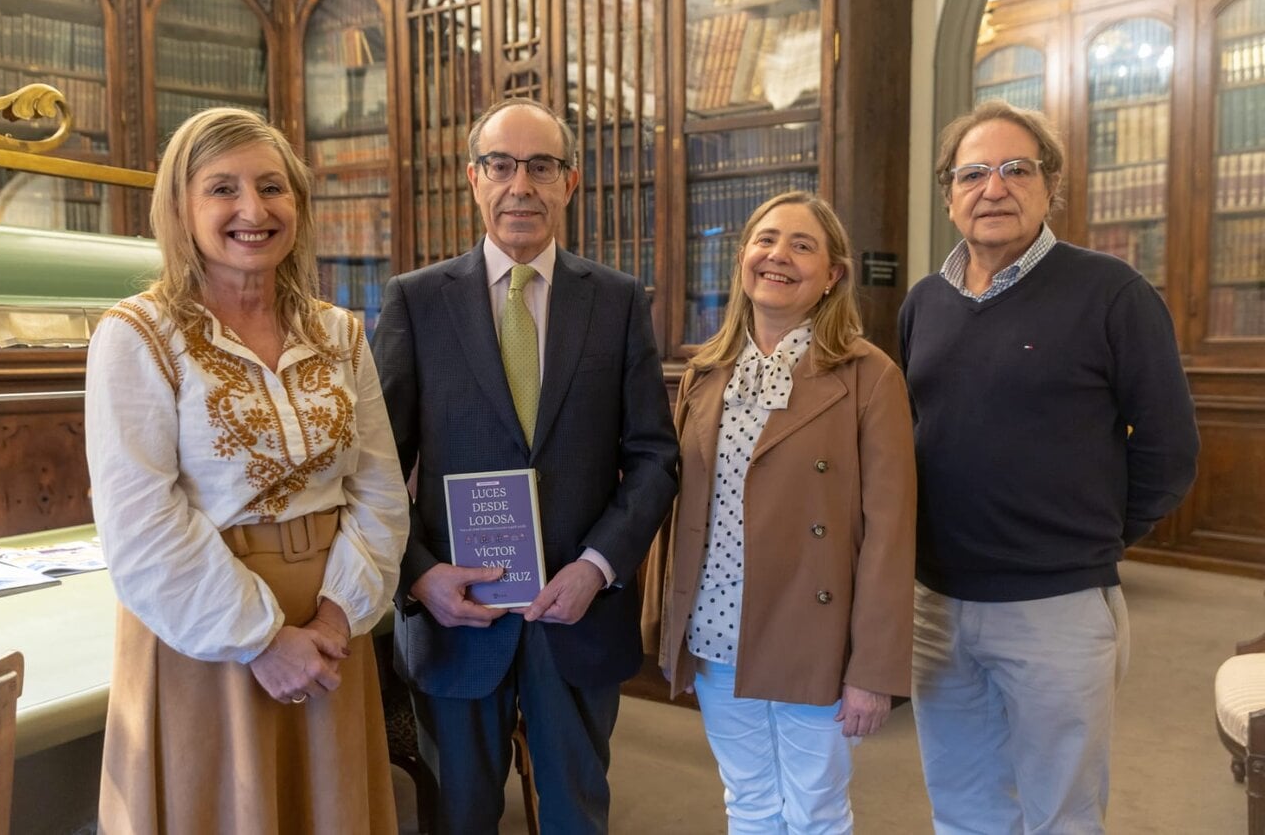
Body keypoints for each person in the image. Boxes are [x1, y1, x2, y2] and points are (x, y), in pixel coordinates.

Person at [85, 107, 410, 833]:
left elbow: (380, 488)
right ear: (180, 208)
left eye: (272, 187)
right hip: (208, 639)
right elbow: (141, 524)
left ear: (298, 201)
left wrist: (335, 618)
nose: (252, 210)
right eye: (222, 189)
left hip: (332, 632)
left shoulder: (338, 332)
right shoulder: (138, 337)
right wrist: (264, 638)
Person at [372, 97, 678, 834]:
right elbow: (375, 463)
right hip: (457, 618)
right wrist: (418, 574)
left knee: (577, 812)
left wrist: (598, 566)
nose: (521, 185)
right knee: (461, 814)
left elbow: (654, 457)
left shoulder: (617, 301)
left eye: (541, 166)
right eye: (502, 165)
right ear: (474, 180)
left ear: (569, 182)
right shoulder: (415, 302)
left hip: (575, 614)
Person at [899, 99, 1200, 834]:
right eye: (972, 172)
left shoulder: (1112, 293)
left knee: (1060, 813)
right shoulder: (924, 303)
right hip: (937, 603)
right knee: (962, 805)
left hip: (1055, 608)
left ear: (1049, 185)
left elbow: (1169, 451)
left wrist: (1085, 537)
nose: (992, 187)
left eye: (1015, 169)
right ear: (948, 193)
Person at [642, 191, 917, 834]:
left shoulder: (869, 376)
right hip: (715, 628)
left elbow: (889, 535)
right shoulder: (704, 373)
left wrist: (873, 670)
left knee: (816, 811)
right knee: (749, 802)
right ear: (743, 259)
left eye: (802, 245)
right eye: (766, 240)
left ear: (832, 276)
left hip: (813, 636)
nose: (779, 256)